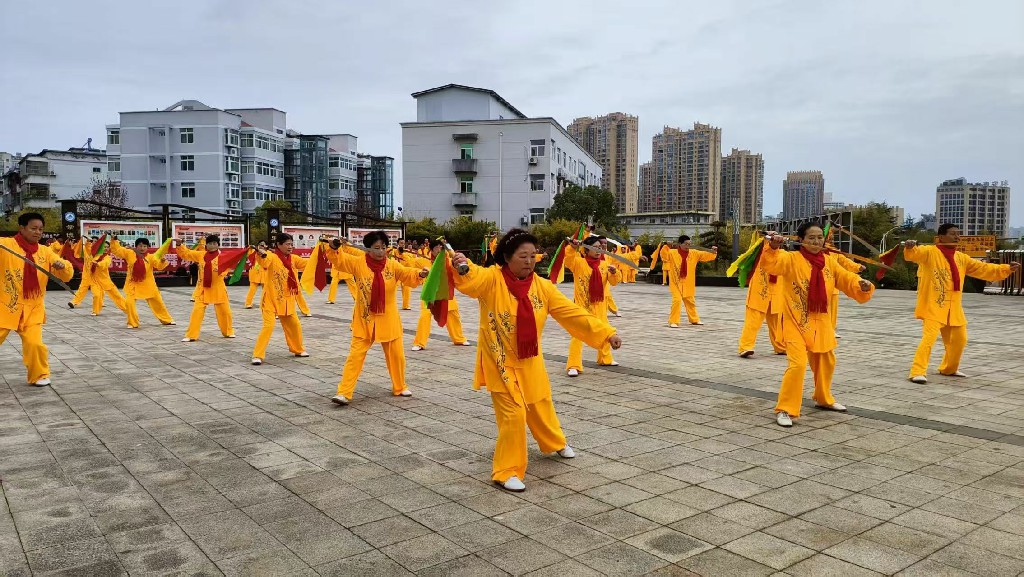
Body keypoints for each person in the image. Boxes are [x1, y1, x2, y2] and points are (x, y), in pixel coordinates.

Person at [450, 229, 621, 492]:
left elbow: (571, 313)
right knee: (514, 414)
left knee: (540, 402)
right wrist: (462, 264)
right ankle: (506, 471)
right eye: (522, 256)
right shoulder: (492, 280)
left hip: (530, 359)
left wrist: (606, 333)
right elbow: (472, 279)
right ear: (506, 257)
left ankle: (554, 442)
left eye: (533, 255)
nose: (529, 261)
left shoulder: (542, 287)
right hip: (500, 360)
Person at [762, 224, 875, 427]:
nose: (816, 242)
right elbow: (772, 264)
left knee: (826, 362)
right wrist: (773, 248)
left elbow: (846, 279)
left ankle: (823, 398)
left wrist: (862, 284)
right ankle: (786, 409)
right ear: (801, 239)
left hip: (821, 321)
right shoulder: (791, 259)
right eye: (811, 238)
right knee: (797, 365)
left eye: (818, 238)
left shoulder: (829, 263)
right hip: (795, 321)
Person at [904, 224, 1019, 384]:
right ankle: (917, 371)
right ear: (941, 237)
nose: (957, 237)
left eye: (958, 234)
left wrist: (1006, 268)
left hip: (954, 307)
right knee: (929, 338)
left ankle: (949, 368)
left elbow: (983, 268)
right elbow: (914, 255)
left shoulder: (961, 258)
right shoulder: (930, 252)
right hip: (934, 306)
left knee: (960, 339)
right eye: (953, 234)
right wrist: (911, 247)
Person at [325, 231, 428, 405]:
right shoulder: (358, 263)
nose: (381, 252)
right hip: (365, 318)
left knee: (397, 355)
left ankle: (400, 386)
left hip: (388, 317)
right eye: (376, 248)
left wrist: (420, 274)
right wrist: (334, 246)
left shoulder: (392, 265)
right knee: (355, 355)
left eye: (383, 247)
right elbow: (339, 260)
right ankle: (344, 392)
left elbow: (407, 274)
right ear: (367, 249)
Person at [0, 212, 73, 386]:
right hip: (6, 305)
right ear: (22, 228)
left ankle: (39, 375)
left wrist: (62, 266)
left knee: (35, 344)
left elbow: (67, 275)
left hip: (33, 308)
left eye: (40, 229)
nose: (38, 232)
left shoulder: (45, 252)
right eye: (33, 228)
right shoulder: (5, 245)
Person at [563, 236, 621, 376]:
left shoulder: (604, 265)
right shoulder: (578, 263)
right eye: (594, 248)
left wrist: (615, 273)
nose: (598, 251)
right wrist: (572, 246)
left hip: (600, 305)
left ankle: (605, 358)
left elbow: (614, 282)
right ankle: (574, 365)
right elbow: (568, 258)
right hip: (582, 306)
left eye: (600, 248)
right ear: (586, 250)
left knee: (605, 331)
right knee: (577, 335)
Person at [251, 233, 309, 365]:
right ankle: (257, 355)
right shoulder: (271, 256)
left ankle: (298, 349)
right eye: (287, 244)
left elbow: (308, 263)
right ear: (279, 245)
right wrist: (261, 254)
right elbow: (263, 261)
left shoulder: (293, 259)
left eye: (291, 244)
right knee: (268, 326)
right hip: (271, 299)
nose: (290, 246)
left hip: (287, 300)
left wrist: (322, 254)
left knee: (295, 325)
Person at [176, 234, 237, 341]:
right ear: (206, 245)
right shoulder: (201, 255)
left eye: (214, 243)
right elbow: (186, 253)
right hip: (203, 288)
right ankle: (191, 335)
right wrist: (179, 244)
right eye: (209, 243)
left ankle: (228, 331)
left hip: (218, 288)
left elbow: (232, 263)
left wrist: (223, 272)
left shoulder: (223, 256)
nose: (212, 245)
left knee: (225, 311)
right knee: (197, 311)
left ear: (218, 245)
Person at [411, 238, 469, 350]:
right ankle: (419, 343)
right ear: (431, 249)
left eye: (441, 247)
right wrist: (422, 272)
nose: (440, 249)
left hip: (446, 290)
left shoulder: (448, 259)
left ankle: (459, 339)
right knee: (425, 316)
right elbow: (411, 269)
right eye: (437, 247)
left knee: (453, 314)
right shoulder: (423, 261)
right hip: (430, 292)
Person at [109, 237, 176, 328]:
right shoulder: (129, 253)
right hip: (133, 283)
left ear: (147, 247)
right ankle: (132, 323)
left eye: (144, 246)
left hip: (148, 284)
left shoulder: (151, 257)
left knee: (158, 302)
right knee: (129, 303)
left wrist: (162, 261)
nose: (142, 248)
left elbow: (159, 266)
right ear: (136, 246)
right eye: (140, 245)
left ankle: (167, 320)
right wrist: (114, 241)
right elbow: (117, 251)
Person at [737, 240, 786, 358]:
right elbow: (768, 252)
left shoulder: (785, 255)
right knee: (752, 322)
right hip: (759, 292)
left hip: (777, 293)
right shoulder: (759, 254)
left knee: (777, 323)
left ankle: (780, 347)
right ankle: (745, 347)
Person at [660, 235, 718, 326]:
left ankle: (694, 319)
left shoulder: (694, 253)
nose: (688, 246)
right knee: (677, 300)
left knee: (690, 301)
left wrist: (713, 252)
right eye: (686, 244)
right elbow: (663, 255)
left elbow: (706, 256)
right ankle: (673, 321)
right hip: (676, 282)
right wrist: (665, 245)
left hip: (688, 282)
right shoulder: (672, 253)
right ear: (680, 244)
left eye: (689, 244)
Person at [85, 248, 127, 317]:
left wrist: (98, 264)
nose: (105, 248)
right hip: (94, 280)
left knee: (116, 295)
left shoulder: (108, 257)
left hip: (105, 280)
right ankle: (95, 311)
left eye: (107, 247)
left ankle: (127, 308)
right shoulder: (94, 256)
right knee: (96, 295)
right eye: (104, 247)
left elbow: (105, 263)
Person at [67, 236, 95, 310]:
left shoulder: (100, 254)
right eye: (92, 241)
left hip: (98, 276)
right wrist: (88, 241)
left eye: (95, 241)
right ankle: (74, 301)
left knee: (99, 291)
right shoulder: (87, 251)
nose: (93, 243)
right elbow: (77, 249)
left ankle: (100, 302)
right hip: (86, 274)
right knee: (82, 288)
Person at [244, 242, 268, 309]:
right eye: (260, 245)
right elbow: (247, 253)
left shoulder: (268, 253)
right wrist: (250, 247)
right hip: (255, 273)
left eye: (263, 245)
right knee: (252, 290)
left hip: (265, 273)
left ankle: (265, 304)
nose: (262, 246)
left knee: (266, 291)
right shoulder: (253, 252)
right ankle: (248, 303)